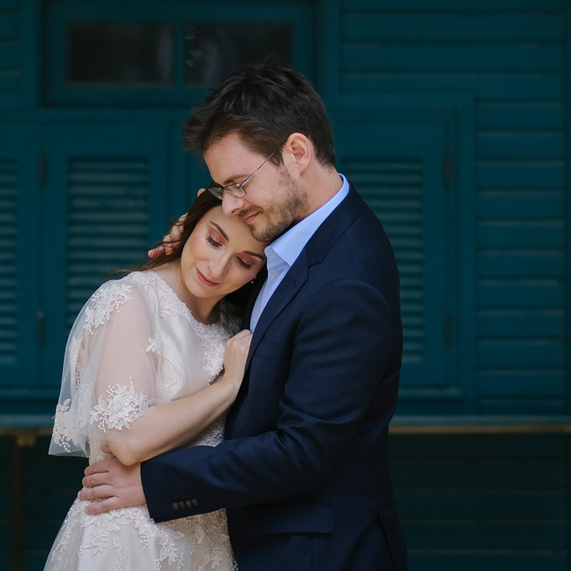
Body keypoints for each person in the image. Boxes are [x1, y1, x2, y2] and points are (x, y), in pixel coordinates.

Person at [77, 63, 408, 571]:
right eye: (219, 190)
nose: (231, 204)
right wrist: (191, 241)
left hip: (314, 554)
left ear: (296, 153)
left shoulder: (349, 280)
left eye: (238, 183)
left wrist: (152, 482)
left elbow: (301, 451)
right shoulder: (287, 236)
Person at [46, 190, 266, 571]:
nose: (216, 269)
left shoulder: (234, 325)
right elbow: (128, 440)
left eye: (243, 262)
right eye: (212, 240)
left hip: (209, 543)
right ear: (188, 227)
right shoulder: (130, 301)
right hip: (131, 542)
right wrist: (228, 386)